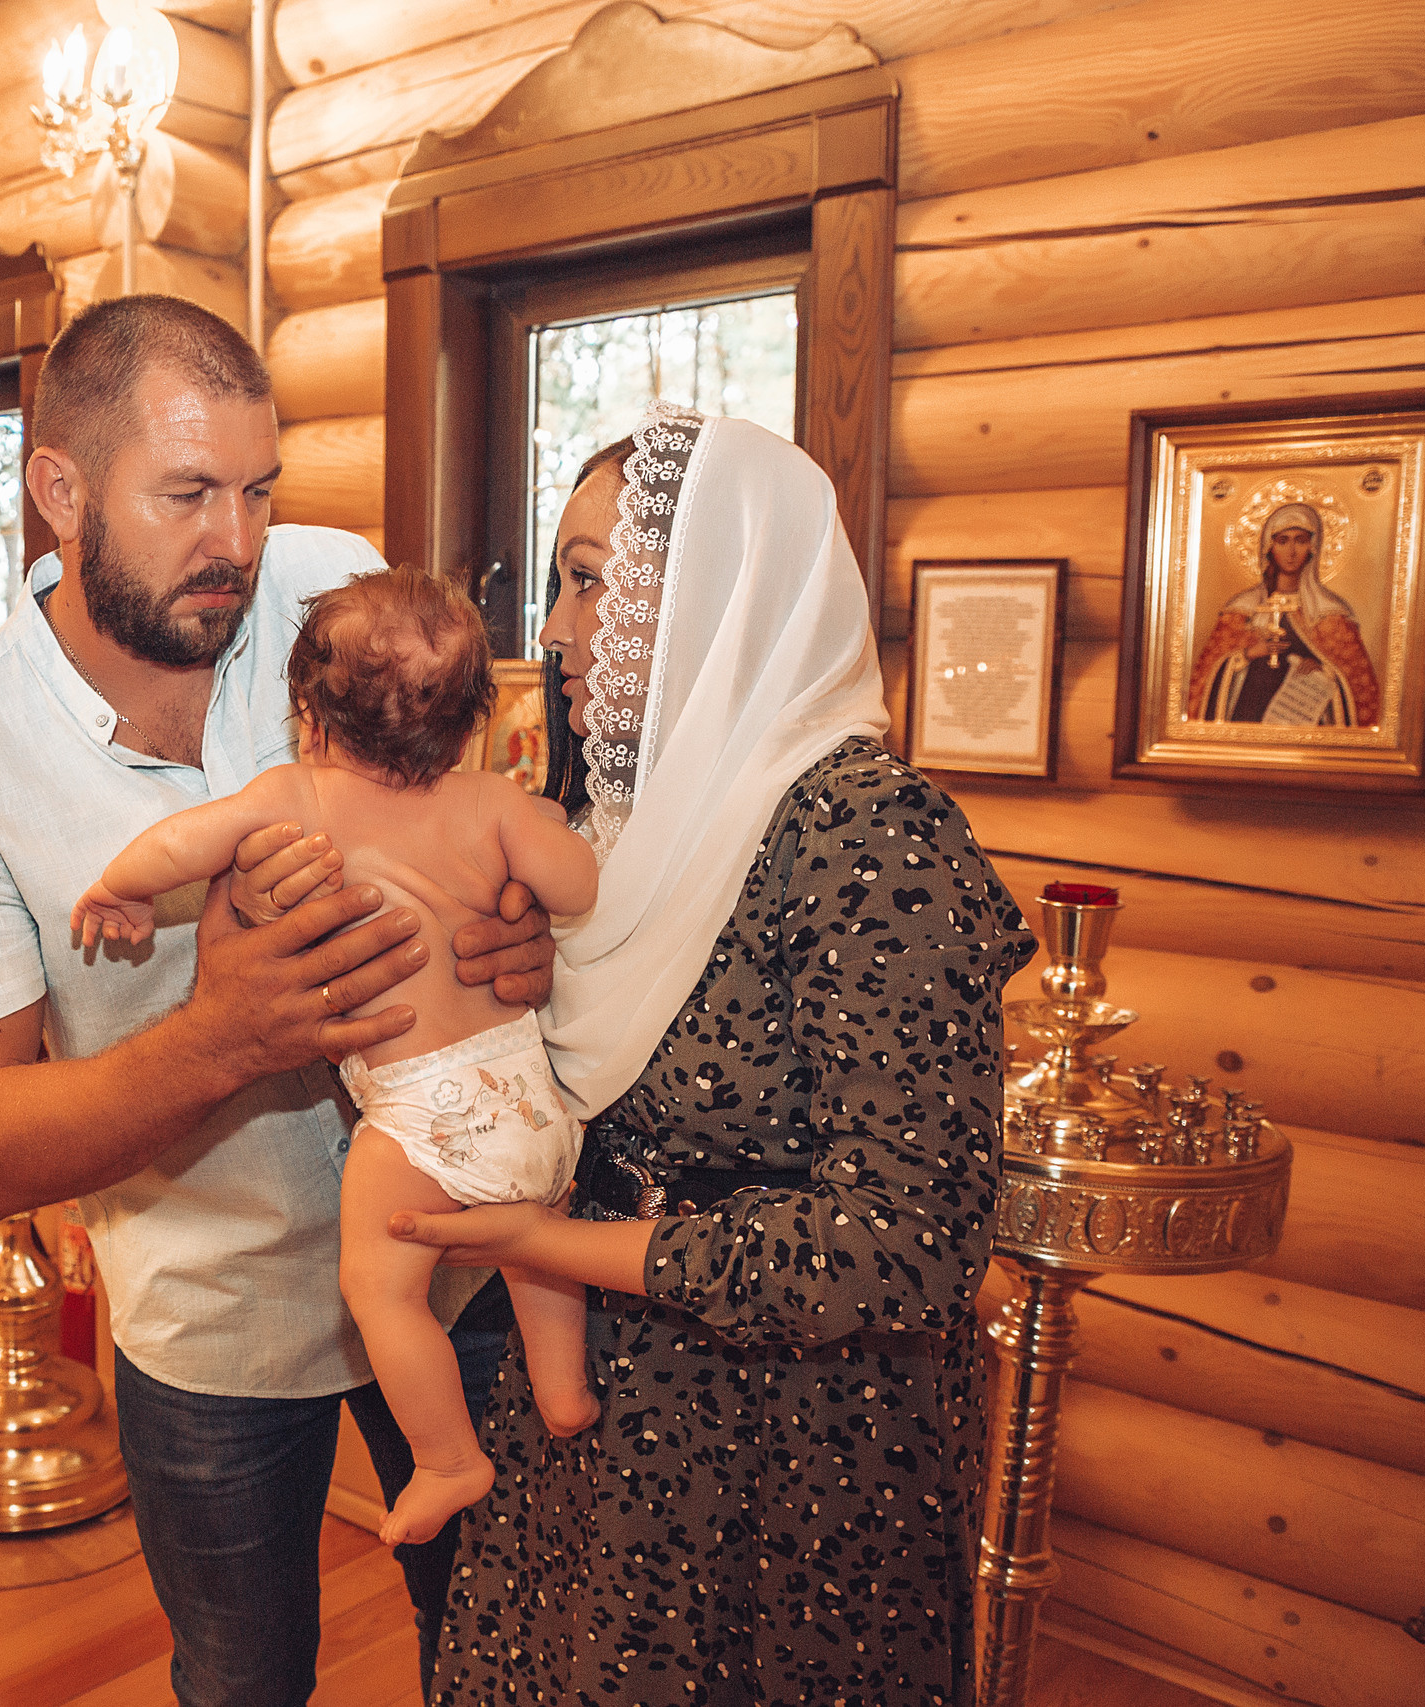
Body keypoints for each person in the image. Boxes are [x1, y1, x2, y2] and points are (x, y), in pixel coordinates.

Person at [0, 295, 557, 1707]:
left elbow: (474, 821)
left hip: (465, 1249)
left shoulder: (333, 587)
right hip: (213, 1322)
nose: (235, 542)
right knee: (245, 1681)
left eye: (255, 489)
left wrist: (520, 931)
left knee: (510, 1654)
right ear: (59, 491)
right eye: (185, 492)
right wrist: (223, 1037)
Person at [389, 406, 1034, 1704]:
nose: (557, 632)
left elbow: (908, 1240)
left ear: (714, 595)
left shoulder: (871, 836)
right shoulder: (618, 824)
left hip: (780, 1448)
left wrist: (534, 1243)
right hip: (590, 1409)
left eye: (585, 581)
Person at [71, 564, 601, 1549]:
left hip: (424, 1116)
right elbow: (573, 884)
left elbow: (184, 843)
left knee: (379, 1286)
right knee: (531, 1247)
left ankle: (448, 1458)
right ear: (469, 722)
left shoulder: (296, 795)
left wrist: (120, 888)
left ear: (308, 715)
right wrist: (543, 841)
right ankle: (563, 1391)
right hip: (533, 1105)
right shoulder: (488, 801)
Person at [1184, 499, 1379, 726]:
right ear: (1269, 546)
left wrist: (1324, 671)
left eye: (1301, 540)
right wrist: (1248, 654)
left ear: (1313, 547)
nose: (1292, 551)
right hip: (1247, 719)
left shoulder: (1331, 612)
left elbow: (1359, 686)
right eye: (1283, 541)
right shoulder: (1242, 609)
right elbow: (1204, 680)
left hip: (1306, 725)